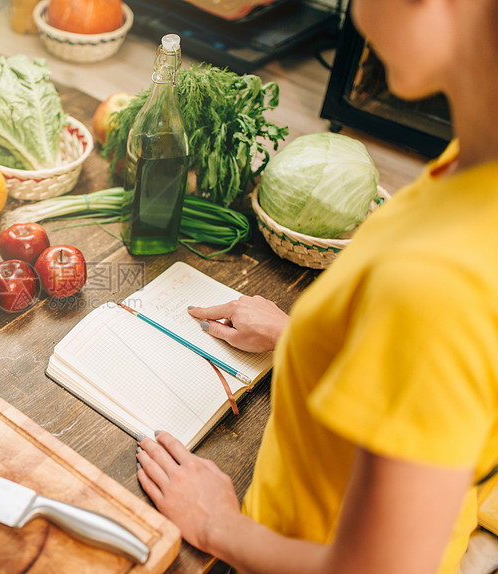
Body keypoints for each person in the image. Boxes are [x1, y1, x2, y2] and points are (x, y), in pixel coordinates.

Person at [134, 0, 498, 572]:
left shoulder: (440, 280)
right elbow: (430, 380)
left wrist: (217, 525)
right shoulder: (472, 168)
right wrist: (301, 335)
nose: (354, 16)